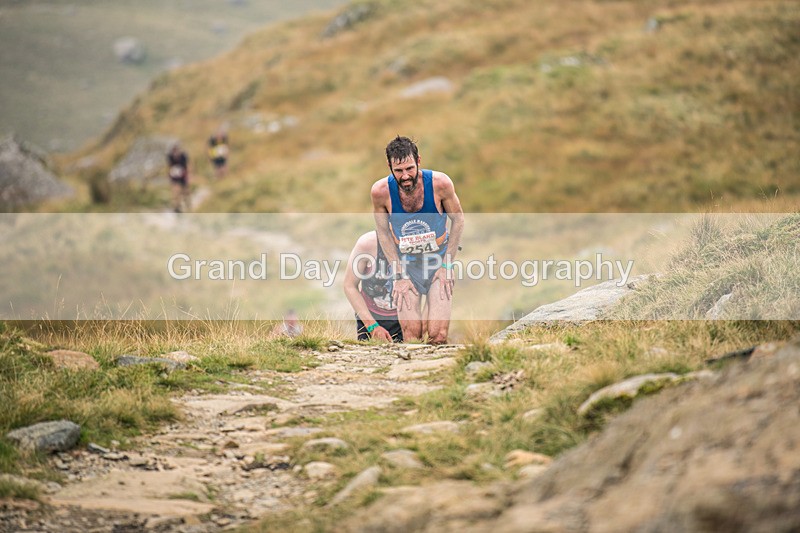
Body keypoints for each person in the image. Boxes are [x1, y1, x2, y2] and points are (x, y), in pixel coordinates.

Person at [370, 136, 464, 345]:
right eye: (399, 171)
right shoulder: (380, 192)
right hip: (406, 267)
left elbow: (458, 220)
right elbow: (383, 233)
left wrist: (447, 265)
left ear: (419, 161)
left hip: (437, 262)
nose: (405, 176)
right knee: (411, 335)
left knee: (437, 335)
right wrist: (398, 275)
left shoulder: (440, 184)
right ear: (389, 166)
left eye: (410, 168)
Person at [343, 231, 403, 343]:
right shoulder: (368, 243)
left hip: (406, 319)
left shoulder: (417, 241)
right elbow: (349, 285)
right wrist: (372, 326)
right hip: (371, 317)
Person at [167, 142, 191, 213]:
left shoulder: (183, 156)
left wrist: (189, 175)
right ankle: (176, 206)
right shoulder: (170, 157)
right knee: (175, 191)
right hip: (174, 176)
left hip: (183, 175)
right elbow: (168, 167)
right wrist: (169, 175)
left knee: (185, 191)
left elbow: (188, 165)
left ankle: (187, 204)